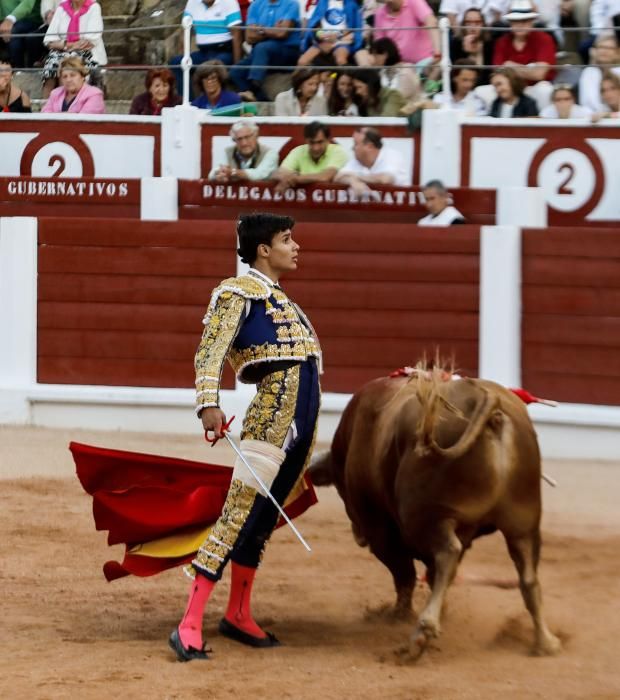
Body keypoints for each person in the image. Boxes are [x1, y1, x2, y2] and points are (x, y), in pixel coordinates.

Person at [169, 212, 322, 661]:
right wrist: (208, 403)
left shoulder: (283, 300)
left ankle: (237, 613)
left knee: (259, 523)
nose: (296, 247)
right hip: (271, 418)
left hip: (301, 424)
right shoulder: (236, 291)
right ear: (263, 249)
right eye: (287, 240)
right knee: (237, 513)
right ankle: (189, 622)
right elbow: (210, 351)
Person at [229, 0, 301, 100]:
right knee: (236, 72)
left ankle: (252, 90)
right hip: (261, 53)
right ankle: (261, 99)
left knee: (263, 47)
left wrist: (260, 29)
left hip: (287, 51)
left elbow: (282, 33)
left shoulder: (291, 4)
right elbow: (249, 37)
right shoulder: (255, 5)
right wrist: (272, 30)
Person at [169, 0, 243, 97]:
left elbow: (237, 36)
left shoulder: (229, 2)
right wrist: (185, 57)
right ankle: (189, 101)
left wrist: (237, 66)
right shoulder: (192, 3)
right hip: (203, 53)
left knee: (212, 67)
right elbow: (185, 32)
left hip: (224, 51)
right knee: (177, 62)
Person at [492, 0, 556, 109]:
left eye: (524, 21)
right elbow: (497, 72)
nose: (520, 25)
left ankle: (543, 125)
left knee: (545, 89)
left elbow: (539, 74)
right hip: (509, 88)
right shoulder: (502, 41)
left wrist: (511, 67)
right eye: (515, 21)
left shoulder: (545, 39)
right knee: (483, 91)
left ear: (532, 21)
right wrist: (528, 70)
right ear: (510, 23)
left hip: (535, 87)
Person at [42, 0, 107, 97]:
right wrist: (68, 45)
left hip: (88, 53)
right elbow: (49, 40)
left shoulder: (94, 7)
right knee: (50, 67)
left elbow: (91, 40)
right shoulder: (61, 8)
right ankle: (45, 108)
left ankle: (67, 107)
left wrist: (65, 46)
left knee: (68, 65)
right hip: (62, 51)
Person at [272, 120, 348, 191]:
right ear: (306, 140)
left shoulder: (338, 151)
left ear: (328, 140)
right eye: (312, 143)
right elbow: (277, 173)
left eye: (320, 142)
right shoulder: (298, 151)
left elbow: (325, 176)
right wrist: (286, 178)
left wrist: (295, 178)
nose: (316, 148)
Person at [335, 126, 410, 194]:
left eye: (356, 144)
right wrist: (352, 181)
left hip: (398, 207)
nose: (353, 148)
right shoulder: (358, 160)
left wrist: (357, 177)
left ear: (370, 146)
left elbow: (386, 179)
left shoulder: (392, 155)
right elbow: (338, 177)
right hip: (370, 207)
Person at [373, 0, 440, 66]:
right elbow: (379, 47)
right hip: (399, 67)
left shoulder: (414, 2)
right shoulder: (379, 13)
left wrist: (437, 53)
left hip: (426, 62)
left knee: (438, 67)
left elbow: (431, 22)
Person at [297, 0, 364, 67]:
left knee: (340, 60)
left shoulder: (352, 4)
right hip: (323, 39)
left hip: (342, 40)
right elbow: (314, 25)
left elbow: (354, 28)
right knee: (302, 61)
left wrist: (336, 36)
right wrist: (321, 36)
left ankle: (343, 75)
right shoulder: (322, 3)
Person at [209, 120, 279, 181]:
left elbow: (259, 174)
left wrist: (234, 173)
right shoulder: (227, 152)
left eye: (247, 137)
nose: (244, 143)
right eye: (239, 139)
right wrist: (219, 174)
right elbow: (212, 174)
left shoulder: (270, 153)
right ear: (234, 140)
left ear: (256, 136)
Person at [368, 37, 422, 108]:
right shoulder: (382, 74)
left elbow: (399, 99)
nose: (374, 59)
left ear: (385, 54)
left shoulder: (406, 72)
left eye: (375, 55)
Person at [449, 7, 496, 85]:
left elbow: (487, 76)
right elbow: (455, 76)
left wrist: (476, 54)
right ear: (463, 24)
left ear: (483, 24)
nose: (473, 27)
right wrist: (468, 54)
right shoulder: (456, 43)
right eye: (468, 23)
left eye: (477, 23)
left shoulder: (490, 43)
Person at [578, 34, 620, 113]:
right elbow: (589, 103)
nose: (604, 51)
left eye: (609, 48)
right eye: (600, 47)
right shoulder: (589, 73)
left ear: (617, 52)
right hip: (595, 120)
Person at [0, 0, 43, 68]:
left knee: (14, 31)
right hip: (7, 22)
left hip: (31, 20)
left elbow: (27, 4)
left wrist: (9, 20)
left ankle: (20, 71)